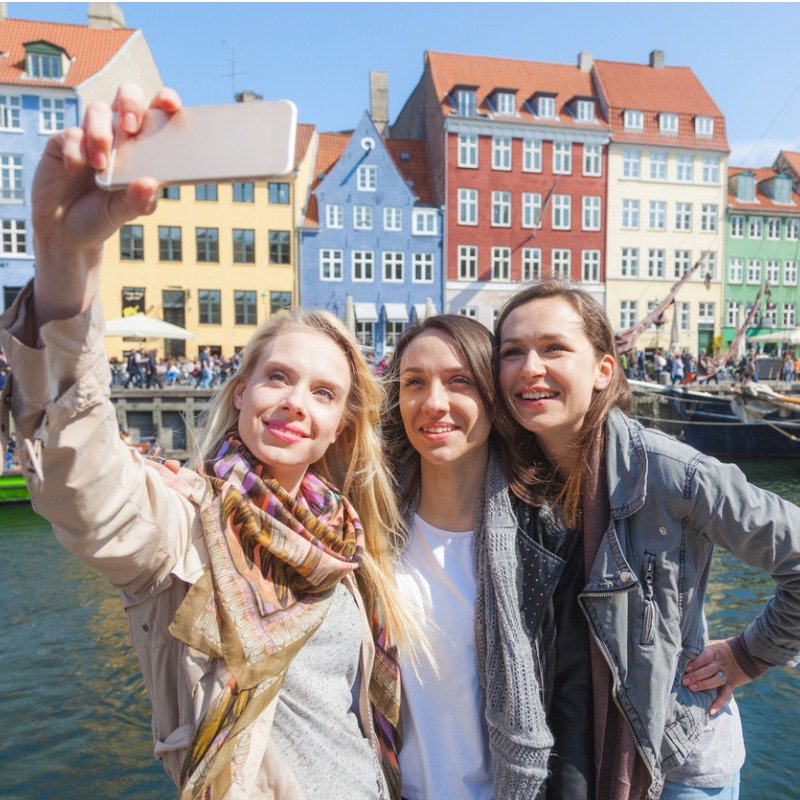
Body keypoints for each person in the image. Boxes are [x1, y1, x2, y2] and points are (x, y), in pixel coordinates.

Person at [0, 83, 426, 800]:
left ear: (342, 424)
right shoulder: (186, 524)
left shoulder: (344, 541)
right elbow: (84, 479)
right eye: (278, 378)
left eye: (322, 393)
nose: (295, 402)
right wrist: (63, 258)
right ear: (242, 393)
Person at [494, 280, 800, 799]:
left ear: (603, 370)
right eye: (512, 352)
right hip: (567, 760)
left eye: (554, 348)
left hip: (677, 765)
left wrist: (749, 655)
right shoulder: (506, 480)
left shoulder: (669, 473)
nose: (530, 367)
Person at [382, 315, 550, 800]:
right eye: (415, 382)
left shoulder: (543, 540)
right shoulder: (368, 531)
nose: (434, 403)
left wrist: (743, 656)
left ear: (493, 402)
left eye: (460, 381)